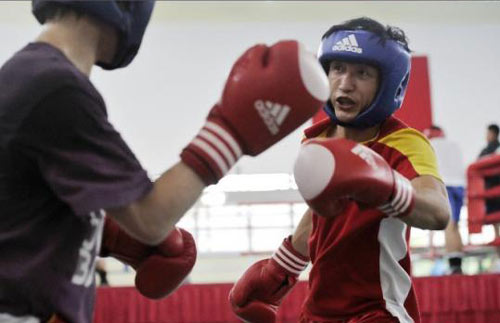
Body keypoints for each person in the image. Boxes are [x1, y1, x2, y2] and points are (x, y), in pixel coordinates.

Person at [0, 1, 329, 322]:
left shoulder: (25, 75)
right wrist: (230, 134)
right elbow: (151, 218)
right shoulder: (55, 87)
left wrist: (104, 232)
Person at [230, 17, 450, 323]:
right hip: (317, 312)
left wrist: (384, 185)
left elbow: (439, 211)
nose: (345, 83)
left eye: (362, 73)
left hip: (378, 312)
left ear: (388, 82)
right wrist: (280, 269)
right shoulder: (316, 141)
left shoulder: (403, 142)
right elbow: (321, 216)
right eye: (338, 69)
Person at [424, 125, 466, 274]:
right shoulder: (454, 145)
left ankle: (454, 266)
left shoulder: (429, 144)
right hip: (460, 186)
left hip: (445, 184)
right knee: (455, 225)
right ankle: (458, 264)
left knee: (449, 224)